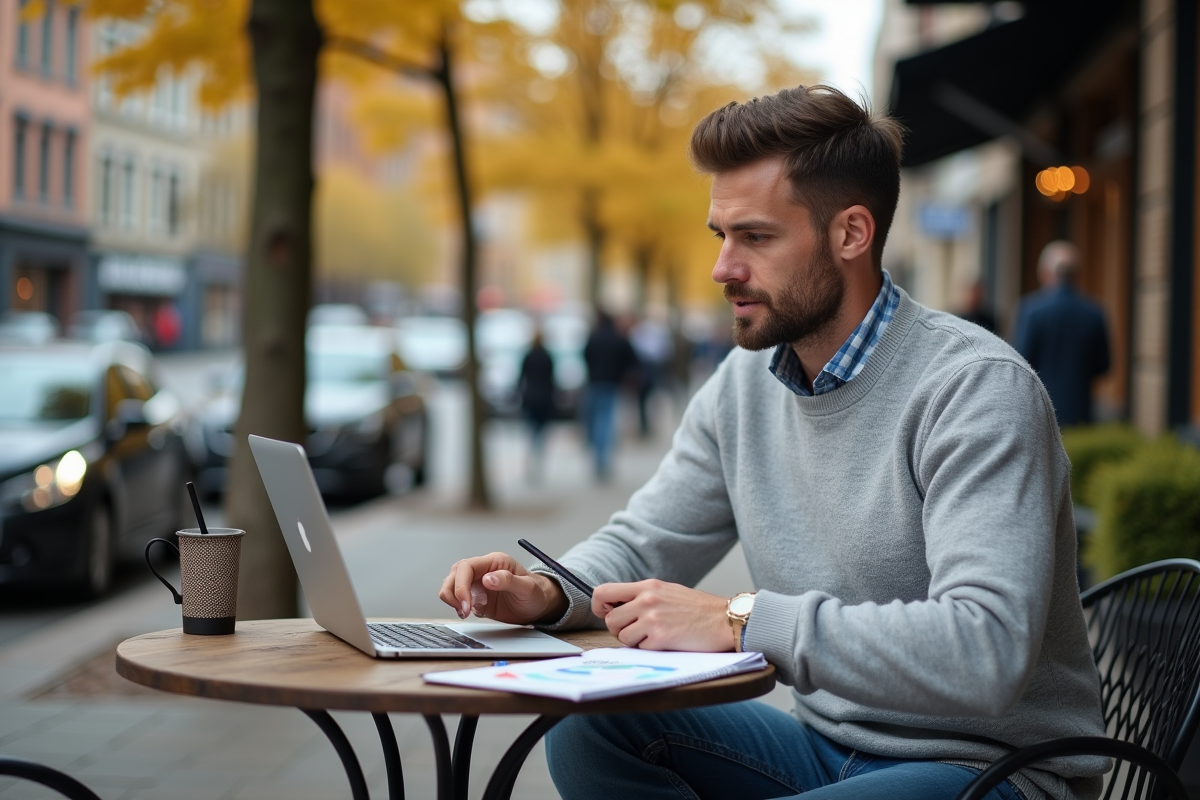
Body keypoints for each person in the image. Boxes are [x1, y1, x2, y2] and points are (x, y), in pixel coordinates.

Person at [439, 86, 1106, 800]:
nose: (723, 268)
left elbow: (986, 648)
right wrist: (543, 592)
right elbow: (648, 539)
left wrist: (741, 619)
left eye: (755, 237)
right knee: (590, 725)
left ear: (851, 234)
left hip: (991, 769)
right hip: (825, 747)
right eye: (720, 236)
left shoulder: (975, 389)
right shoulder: (742, 383)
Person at [1013, 241, 1111, 427]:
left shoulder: (1031, 310)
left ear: (1045, 273)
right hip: (1081, 411)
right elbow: (1104, 365)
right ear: (1077, 275)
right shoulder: (1094, 312)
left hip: (1040, 411)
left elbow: (1020, 361)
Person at [582, 311, 637, 480]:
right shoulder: (618, 338)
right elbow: (631, 359)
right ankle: (602, 460)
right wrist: (620, 374)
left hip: (594, 383)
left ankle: (598, 458)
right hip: (611, 384)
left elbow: (585, 356)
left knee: (594, 422)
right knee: (605, 423)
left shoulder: (594, 337)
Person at [518, 329, 556, 481]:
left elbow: (521, 378)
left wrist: (520, 396)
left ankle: (530, 461)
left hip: (531, 398)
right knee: (541, 433)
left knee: (531, 432)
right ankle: (538, 462)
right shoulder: (547, 357)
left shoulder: (528, 356)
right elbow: (552, 380)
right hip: (544, 399)